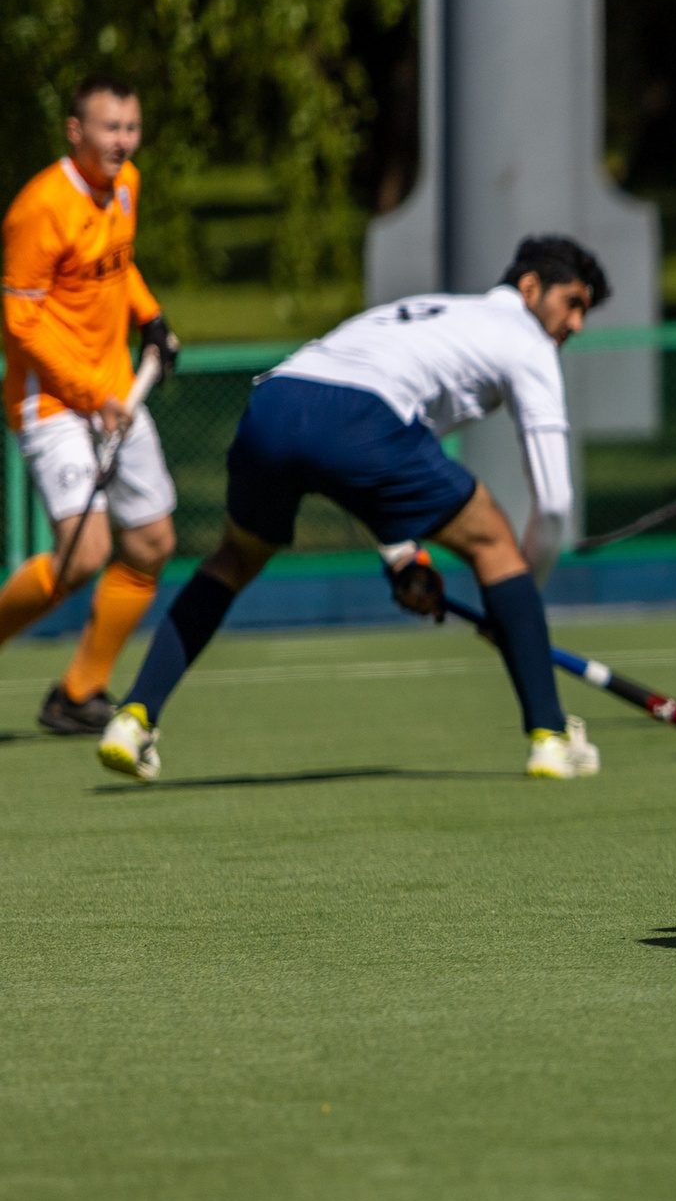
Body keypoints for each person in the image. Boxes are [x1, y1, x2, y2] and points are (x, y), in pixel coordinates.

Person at [99, 236, 611, 783]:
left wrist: (402, 557)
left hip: (275, 403)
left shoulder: (432, 313)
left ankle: (133, 719)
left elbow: (366, 464)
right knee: (495, 546)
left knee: (234, 558)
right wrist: (517, 609)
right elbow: (553, 503)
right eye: (573, 303)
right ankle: (549, 737)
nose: (576, 324)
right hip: (363, 417)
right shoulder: (526, 341)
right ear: (530, 287)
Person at [0, 76, 181, 736]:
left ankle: (78, 692)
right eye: (110, 128)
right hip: (51, 399)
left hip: (115, 393)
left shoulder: (126, 183)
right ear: (75, 131)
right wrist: (89, 395)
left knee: (153, 541)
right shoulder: (38, 209)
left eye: (130, 128)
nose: (122, 142)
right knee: (82, 555)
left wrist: (151, 316)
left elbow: (117, 263)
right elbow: (21, 325)